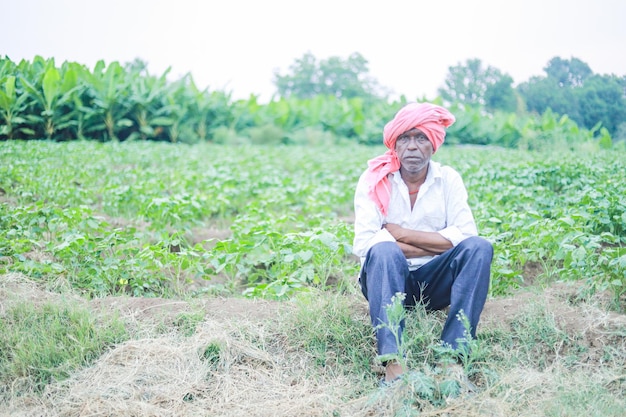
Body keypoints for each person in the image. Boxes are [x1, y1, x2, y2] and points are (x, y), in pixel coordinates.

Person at [352, 102, 493, 383]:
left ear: (434, 144)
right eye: (404, 138)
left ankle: (452, 357)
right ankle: (393, 365)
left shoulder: (448, 179)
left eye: (421, 138)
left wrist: (400, 233)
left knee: (480, 247)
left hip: (434, 283)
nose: (412, 147)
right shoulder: (374, 179)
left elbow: (465, 236)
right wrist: (438, 242)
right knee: (383, 251)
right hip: (387, 283)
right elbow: (366, 244)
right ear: (394, 145)